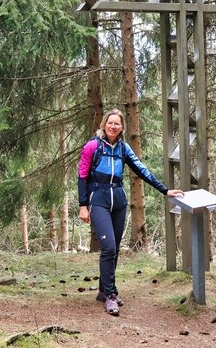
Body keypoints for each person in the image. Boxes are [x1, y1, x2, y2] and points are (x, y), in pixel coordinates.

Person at [77, 108, 184, 316]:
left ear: (122, 127)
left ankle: (104, 291)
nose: (113, 126)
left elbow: (141, 170)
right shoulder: (92, 146)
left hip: (118, 200)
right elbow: (82, 176)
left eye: (117, 124)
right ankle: (110, 295)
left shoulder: (123, 148)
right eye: (110, 123)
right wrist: (83, 206)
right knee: (108, 248)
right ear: (104, 124)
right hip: (98, 199)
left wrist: (165, 190)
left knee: (114, 249)